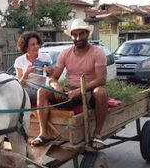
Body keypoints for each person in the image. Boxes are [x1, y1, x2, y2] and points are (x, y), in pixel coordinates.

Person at [35, 18, 108, 149]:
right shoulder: (65, 53)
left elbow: (101, 79)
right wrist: (56, 86)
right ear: (71, 36)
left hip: (89, 91)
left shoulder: (97, 53)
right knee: (42, 91)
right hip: (70, 90)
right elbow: (53, 77)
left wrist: (81, 90)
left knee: (101, 92)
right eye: (74, 34)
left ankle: (97, 134)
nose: (78, 37)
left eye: (81, 34)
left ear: (87, 34)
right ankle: (43, 133)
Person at [13, 31, 52, 146]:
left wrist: (51, 71)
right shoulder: (20, 61)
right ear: (26, 48)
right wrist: (26, 73)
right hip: (27, 90)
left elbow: (52, 78)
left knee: (21, 94)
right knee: (15, 92)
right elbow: (20, 84)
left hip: (42, 90)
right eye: (32, 45)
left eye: (37, 44)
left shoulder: (45, 57)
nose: (36, 46)